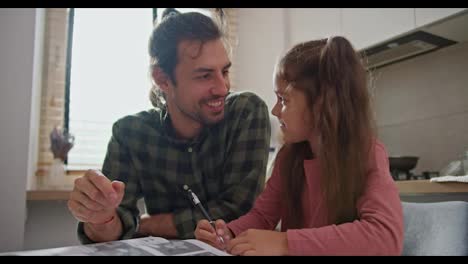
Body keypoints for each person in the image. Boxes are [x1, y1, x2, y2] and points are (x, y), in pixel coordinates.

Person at [67, 9, 271, 244]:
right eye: (204, 76)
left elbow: (241, 210)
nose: (223, 88)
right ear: (162, 79)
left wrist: (146, 225)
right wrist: (100, 217)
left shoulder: (246, 112)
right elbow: (114, 228)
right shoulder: (130, 134)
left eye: (224, 71)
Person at [195, 36, 404, 256]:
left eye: (283, 100)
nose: (275, 111)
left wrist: (285, 243)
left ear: (322, 104)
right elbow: (262, 216)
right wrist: (229, 232)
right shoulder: (289, 157)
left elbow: (385, 237)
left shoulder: (367, 154)